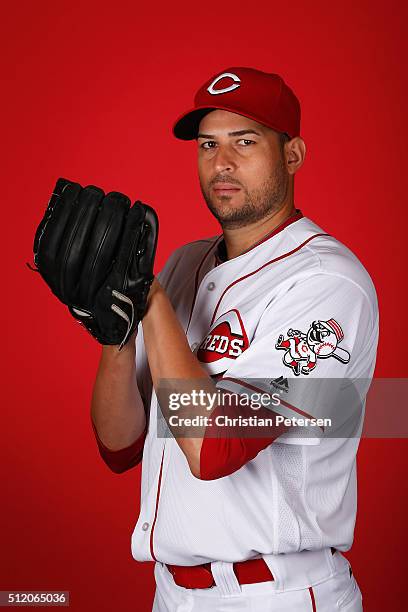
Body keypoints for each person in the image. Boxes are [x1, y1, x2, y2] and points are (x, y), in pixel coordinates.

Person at [90, 67, 378, 611]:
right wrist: (114, 336)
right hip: (172, 594)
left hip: (278, 594)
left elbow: (214, 447)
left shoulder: (326, 283)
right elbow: (120, 444)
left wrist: (149, 300)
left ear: (292, 154)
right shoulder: (182, 263)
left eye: (245, 141)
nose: (221, 163)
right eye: (208, 145)